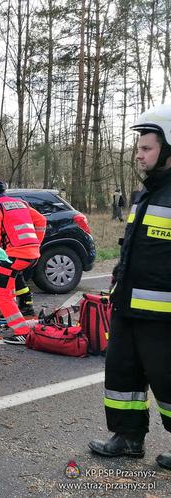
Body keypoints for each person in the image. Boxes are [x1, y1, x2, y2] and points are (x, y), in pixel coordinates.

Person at [88, 104, 171, 470]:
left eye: (147, 148)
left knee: (168, 380)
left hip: (164, 316)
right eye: (138, 148)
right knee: (122, 374)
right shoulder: (144, 194)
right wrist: (120, 272)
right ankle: (127, 437)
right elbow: (135, 244)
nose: (138, 154)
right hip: (129, 306)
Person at [0, 180, 46, 345]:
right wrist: (36, 243)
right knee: (9, 286)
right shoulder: (21, 203)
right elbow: (41, 221)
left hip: (14, 256)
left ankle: (22, 332)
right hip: (32, 254)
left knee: (0, 293)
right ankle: (17, 320)